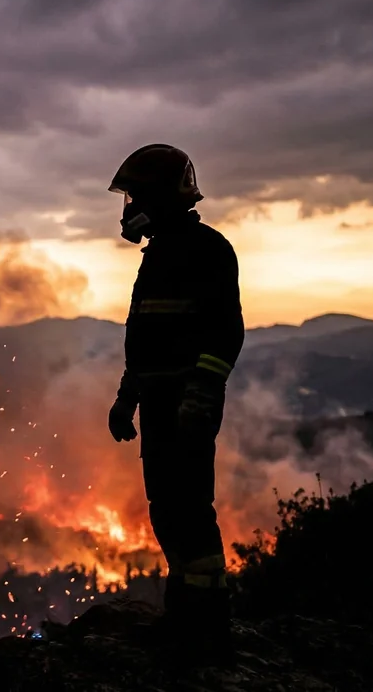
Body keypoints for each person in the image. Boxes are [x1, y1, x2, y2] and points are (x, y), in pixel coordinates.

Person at [105, 144, 244, 651]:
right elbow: (144, 341)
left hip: (187, 406)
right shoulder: (160, 254)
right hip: (161, 404)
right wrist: (127, 399)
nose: (128, 208)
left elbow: (226, 333)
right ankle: (184, 615)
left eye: (136, 196)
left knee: (189, 509)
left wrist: (202, 394)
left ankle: (207, 623)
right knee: (166, 508)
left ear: (163, 197)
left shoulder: (206, 249)